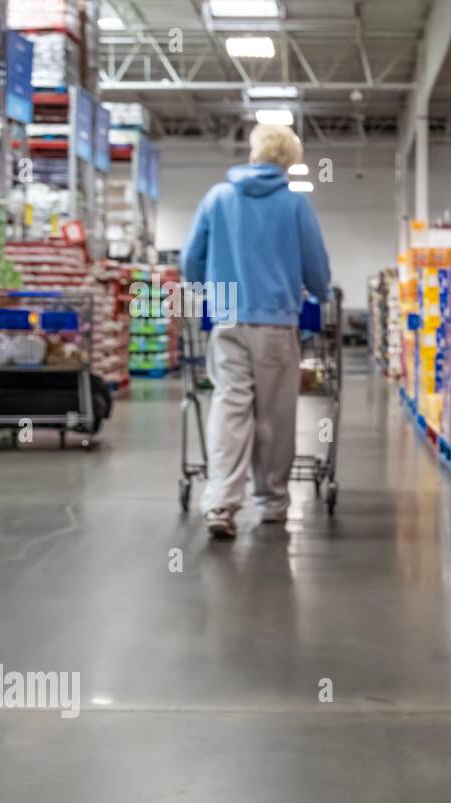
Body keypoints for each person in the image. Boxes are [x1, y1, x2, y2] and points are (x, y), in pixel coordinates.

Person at [181, 124, 331, 539]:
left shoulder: (218, 197)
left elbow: (191, 261)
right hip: (277, 320)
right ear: (289, 162)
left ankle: (221, 503)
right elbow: (317, 269)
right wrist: (319, 293)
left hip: (226, 313)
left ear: (253, 153)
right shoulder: (294, 205)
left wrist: (210, 288)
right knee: (274, 415)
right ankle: (271, 502)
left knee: (229, 407)